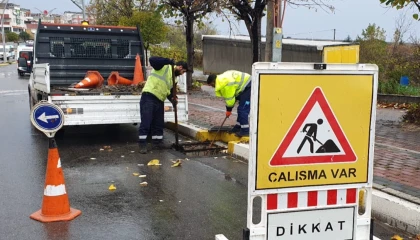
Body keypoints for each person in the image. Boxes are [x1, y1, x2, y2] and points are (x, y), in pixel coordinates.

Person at [138, 56, 188, 154]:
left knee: (158, 123)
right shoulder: (164, 67)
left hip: (159, 100)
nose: (182, 74)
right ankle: (142, 144)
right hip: (149, 96)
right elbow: (152, 60)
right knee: (146, 122)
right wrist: (168, 61)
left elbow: (169, 92)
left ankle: (157, 142)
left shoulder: (175, 79)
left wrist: (173, 99)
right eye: (184, 72)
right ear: (180, 67)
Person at [207, 70, 252, 137]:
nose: (212, 87)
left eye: (211, 85)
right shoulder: (222, 79)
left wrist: (228, 110)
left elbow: (230, 100)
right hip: (246, 85)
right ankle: (238, 127)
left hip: (249, 86)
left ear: (214, 82)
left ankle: (245, 131)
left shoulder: (224, 85)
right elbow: (232, 97)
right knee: (240, 109)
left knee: (242, 110)